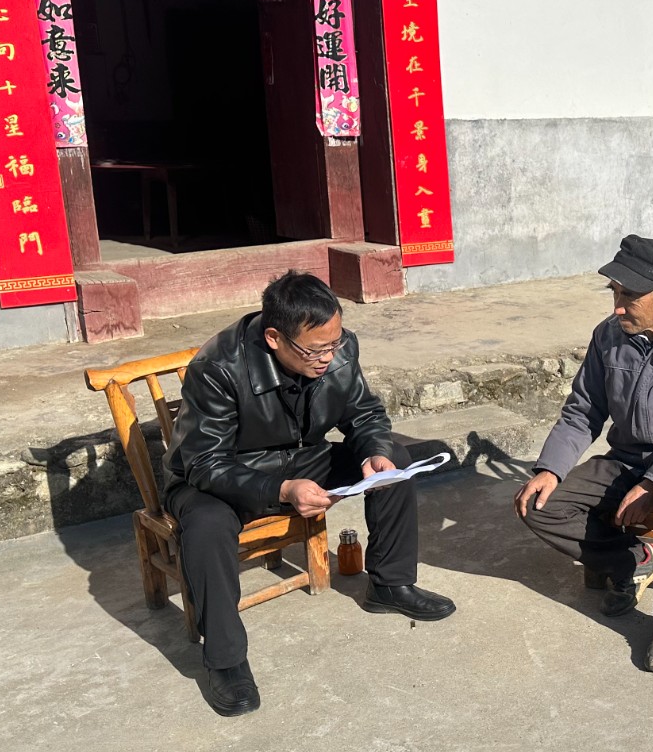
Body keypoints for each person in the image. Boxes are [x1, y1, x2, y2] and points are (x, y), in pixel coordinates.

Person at [165, 271, 454, 716]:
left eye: (334, 343)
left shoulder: (338, 349)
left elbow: (364, 414)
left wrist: (374, 452)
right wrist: (281, 489)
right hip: (222, 474)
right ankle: (225, 660)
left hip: (303, 459)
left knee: (394, 460)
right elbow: (205, 463)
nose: (328, 357)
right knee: (205, 523)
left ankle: (391, 585)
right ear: (274, 338)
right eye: (316, 350)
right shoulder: (219, 367)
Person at [514, 235, 653, 673]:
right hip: (627, 459)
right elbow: (583, 411)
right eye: (614, 292)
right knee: (537, 503)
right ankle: (634, 559)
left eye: (629, 296)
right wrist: (550, 469)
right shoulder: (608, 335)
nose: (618, 307)